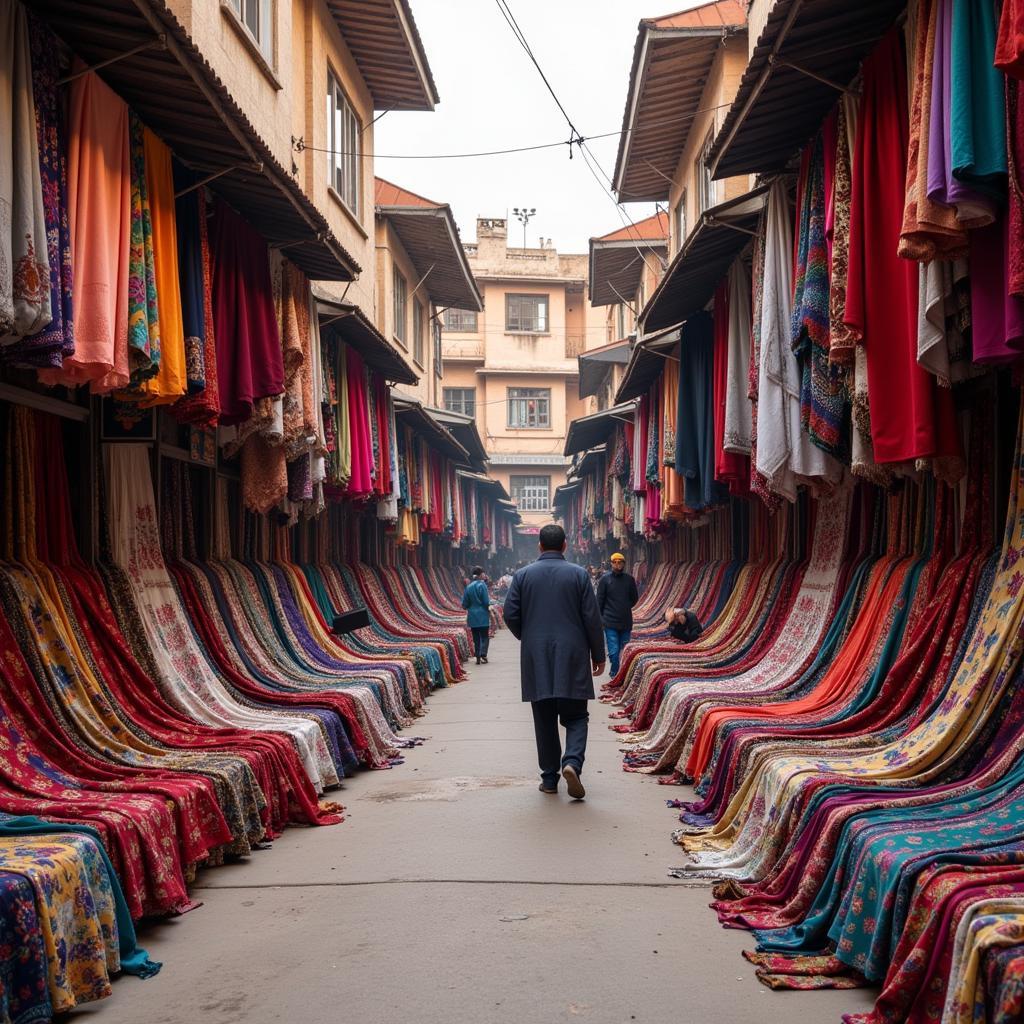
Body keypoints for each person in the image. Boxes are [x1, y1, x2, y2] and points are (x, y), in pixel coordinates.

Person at [503, 523, 605, 800]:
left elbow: (510, 614)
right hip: (573, 654)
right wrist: (599, 654)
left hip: (536, 657)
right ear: (564, 546)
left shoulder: (523, 576)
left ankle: (549, 779)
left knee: (544, 717)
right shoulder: (579, 575)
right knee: (576, 716)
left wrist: (529, 635)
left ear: (539, 546)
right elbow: (592, 619)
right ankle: (572, 762)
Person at [595, 552, 639, 678]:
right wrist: (601, 619)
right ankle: (615, 673)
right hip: (610, 622)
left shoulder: (629, 580)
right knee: (614, 652)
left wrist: (624, 606)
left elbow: (634, 598)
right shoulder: (605, 580)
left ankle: (621, 674)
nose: (617, 564)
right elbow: (599, 601)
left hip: (625, 621)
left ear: (624, 564)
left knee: (624, 651)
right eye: (615, 562)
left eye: (620, 562)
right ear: (611, 563)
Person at [462, 566, 492, 665]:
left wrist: (469, 607)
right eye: (483, 573)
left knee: (476, 637)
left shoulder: (468, 586)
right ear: (480, 575)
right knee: (484, 636)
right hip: (482, 615)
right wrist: (489, 608)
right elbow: (485, 601)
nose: (484, 575)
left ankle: (478, 656)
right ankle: (483, 654)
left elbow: (464, 604)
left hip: (472, 616)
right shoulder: (482, 585)